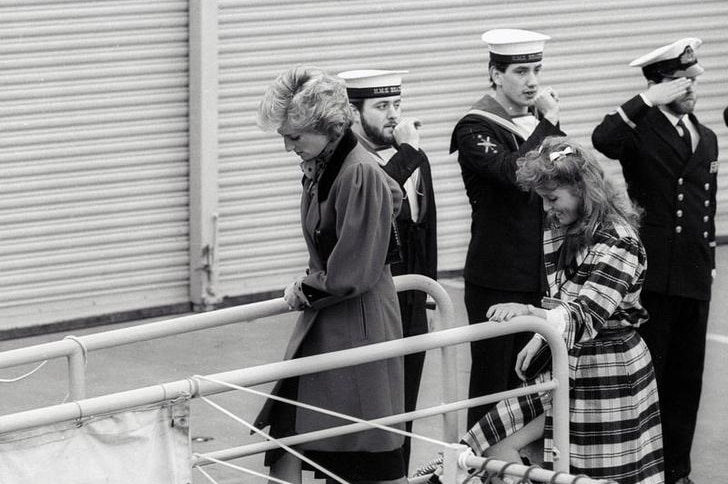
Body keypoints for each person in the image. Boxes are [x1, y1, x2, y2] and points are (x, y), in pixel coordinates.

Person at [418, 137, 665, 484]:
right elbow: (565, 299)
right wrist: (540, 336)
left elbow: (585, 314)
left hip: (608, 372)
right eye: (543, 200)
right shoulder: (563, 229)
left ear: (584, 189)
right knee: (485, 446)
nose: (547, 209)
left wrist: (532, 316)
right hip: (563, 366)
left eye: (552, 198)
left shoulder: (619, 240)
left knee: (595, 474)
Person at [253, 65, 407, 484]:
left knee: (355, 450)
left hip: (356, 322)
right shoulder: (328, 166)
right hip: (331, 322)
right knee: (292, 434)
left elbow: (350, 273)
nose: (287, 147)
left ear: (329, 127)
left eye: (294, 136)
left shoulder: (356, 172)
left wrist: (303, 288)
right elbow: (390, 197)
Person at [592, 38, 718, 484]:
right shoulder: (639, 131)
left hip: (693, 273)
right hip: (653, 275)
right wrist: (645, 101)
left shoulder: (707, 135)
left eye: (693, 80)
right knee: (654, 376)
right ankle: (648, 467)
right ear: (659, 84)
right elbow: (602, 139)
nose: (691, 88)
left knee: (688, 379)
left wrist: (711, 261)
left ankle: (677, 470)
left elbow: (707, 202)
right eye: (681, 81)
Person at [450, 28, 565, 428]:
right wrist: (548, 126)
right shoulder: (475, 126)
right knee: (493, 387)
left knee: (538, 386)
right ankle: (481, 469)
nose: (532, 80)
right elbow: (514, 173)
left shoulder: (536, 124)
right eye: (520, 71)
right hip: (497, 276)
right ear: (496, 74)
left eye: (536, 69)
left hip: (542, 275)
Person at [338, 68, 438, 469]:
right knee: (369, 416)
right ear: (353, 111)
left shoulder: (412, 155)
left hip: (410, 303)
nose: (394, 115)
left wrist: (428, 296)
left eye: (397, 104)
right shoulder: (348, 161)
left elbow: (425, 229)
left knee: (405, 413)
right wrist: (408, 154)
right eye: (381, 106)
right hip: (370, 304)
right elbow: (371, 202)